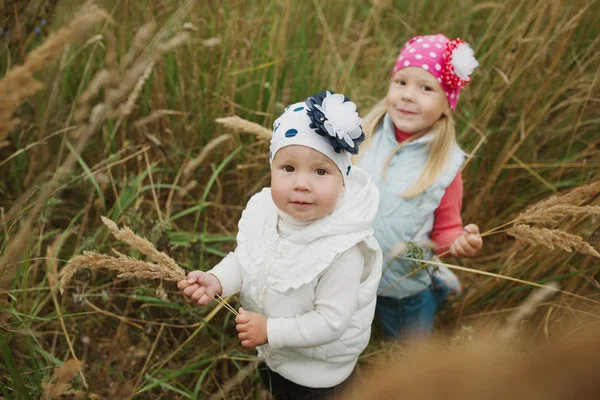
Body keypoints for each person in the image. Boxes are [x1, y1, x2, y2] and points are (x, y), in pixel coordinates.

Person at [178, 91, 382, 399]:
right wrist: (218, 279)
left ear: (342, 182)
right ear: (272, 170)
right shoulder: (266, 213)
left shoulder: (343, 249)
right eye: (288, 168)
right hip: (273, 352)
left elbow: (331, 322)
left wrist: (271, 331)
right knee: (276, 387)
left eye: (321, 171)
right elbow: (246, 258)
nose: (302, 183)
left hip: (318, 374)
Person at [356, 33, 483, 340]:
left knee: (407, 351)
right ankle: (439, 281)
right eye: (401, 82)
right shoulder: (361, 134)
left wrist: (458, 243)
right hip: (350, 275)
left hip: (401, 286)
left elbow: (444, 231)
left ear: (446, 102)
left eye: (426, 88)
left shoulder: (445, 166)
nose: (408, 95)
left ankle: (435, 288)